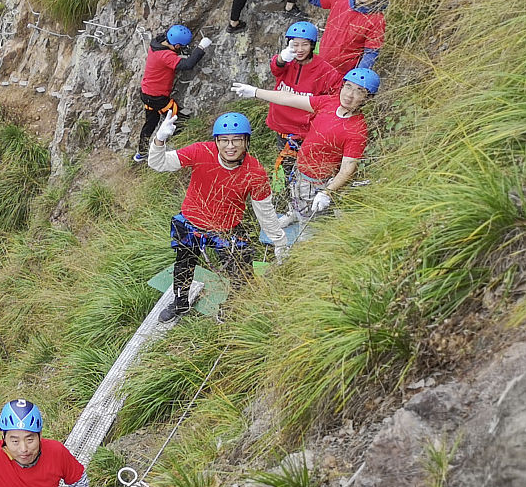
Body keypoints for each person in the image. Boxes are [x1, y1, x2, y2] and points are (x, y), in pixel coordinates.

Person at [147, 111, 289, 321]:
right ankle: (180, 303)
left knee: (241, 271)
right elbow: (158, 164)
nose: (230, 146)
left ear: (246, 141)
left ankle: (232, 307)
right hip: (191, 222)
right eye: (224, 141)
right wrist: (159, 140)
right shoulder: (200, 152)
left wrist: (280, 242)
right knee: (184, 265)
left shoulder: (255, 172)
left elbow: (265, 212)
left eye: (236, 140)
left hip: (227, 228)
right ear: (216, 141)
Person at [231, 67, 380, 223]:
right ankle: (294, 213)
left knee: (311, 221)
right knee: (295, 194)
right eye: (348, 86)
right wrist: (255, 91)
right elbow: (289, 98)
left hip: (318, 182)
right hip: (300, 168)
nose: (349, 95)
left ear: (367, 98)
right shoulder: (330, 103)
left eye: (359, 91)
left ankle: (305, 236)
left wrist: (326, 193)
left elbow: (347, 169)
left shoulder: (357, 129)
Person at [265, 21, 343, 178]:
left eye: (304, 45)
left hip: (305, 130)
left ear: (312, 45)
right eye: (295, 44)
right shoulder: (286, 62)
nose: (299, 50)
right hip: (282, 127)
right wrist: (282, 58)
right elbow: (275, 67)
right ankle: (285, 194)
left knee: (306, 169)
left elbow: (337, 94)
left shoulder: (324, 70)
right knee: (285, 168)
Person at [133, 25, 213, 162]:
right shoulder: (165, 55)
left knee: (150, 123)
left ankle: (142, 152)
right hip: (157, 97)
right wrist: (200, 48)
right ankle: (170, 150)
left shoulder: (157, 43)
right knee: (179, 120)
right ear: (176, 45)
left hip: (147, 93)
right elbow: (187, 65)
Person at [298, 0, 389, 73]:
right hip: (319, 65)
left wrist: (355, 79)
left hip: (341, 74)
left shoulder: (377, 19)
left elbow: (370, 53)